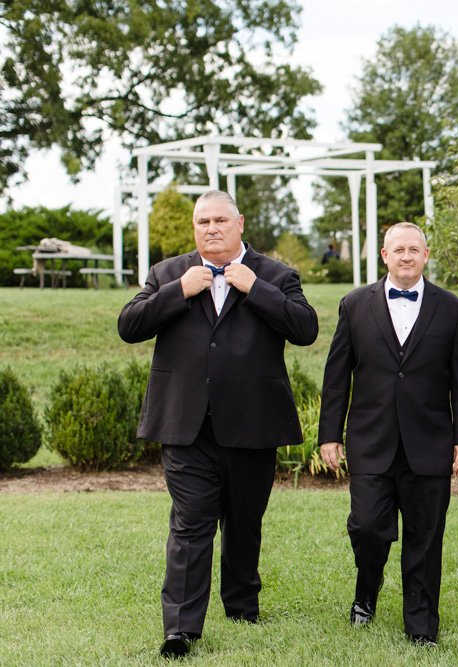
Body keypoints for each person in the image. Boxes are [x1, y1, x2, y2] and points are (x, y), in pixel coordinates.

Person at [118, 190, 319, 658]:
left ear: (240, 223)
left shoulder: (276, 275)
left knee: (245, 521)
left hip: (253, 424)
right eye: (202, 221)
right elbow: (129, 325)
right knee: (190, 525)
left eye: (220, 220)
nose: (211, 228)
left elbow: (305, 329)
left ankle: (241, 603)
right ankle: (181, 629)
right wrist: (178, 292)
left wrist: (256, 289)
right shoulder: (168, 274)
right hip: (186, 426)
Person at [318, 222, 458, 647]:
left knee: (425, 536)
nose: (406, 257)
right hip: (371, 440)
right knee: (369, 526)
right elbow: (337, 377)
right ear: (384, 256)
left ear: (426, 255)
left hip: (430, 443)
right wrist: (329, 435)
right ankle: (365, 592)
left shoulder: (452, 309)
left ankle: (422, 623)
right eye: (398, 250)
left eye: (414, 249)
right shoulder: (354, 305)